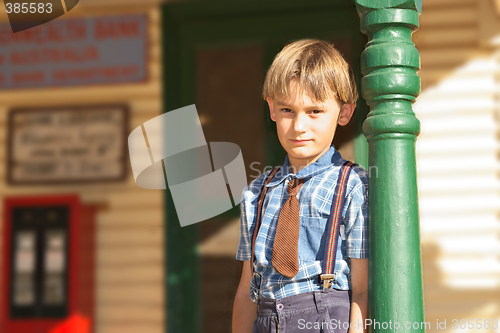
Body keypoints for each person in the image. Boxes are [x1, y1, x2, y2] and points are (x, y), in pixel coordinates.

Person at [232, 39, 369, 333]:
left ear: (344, 113)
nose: (299, 126)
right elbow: (246, 291)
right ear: (271, 109)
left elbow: (361, 289)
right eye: (287, 110)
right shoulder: (255, 193)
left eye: (315, 111)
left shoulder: (353, 186)